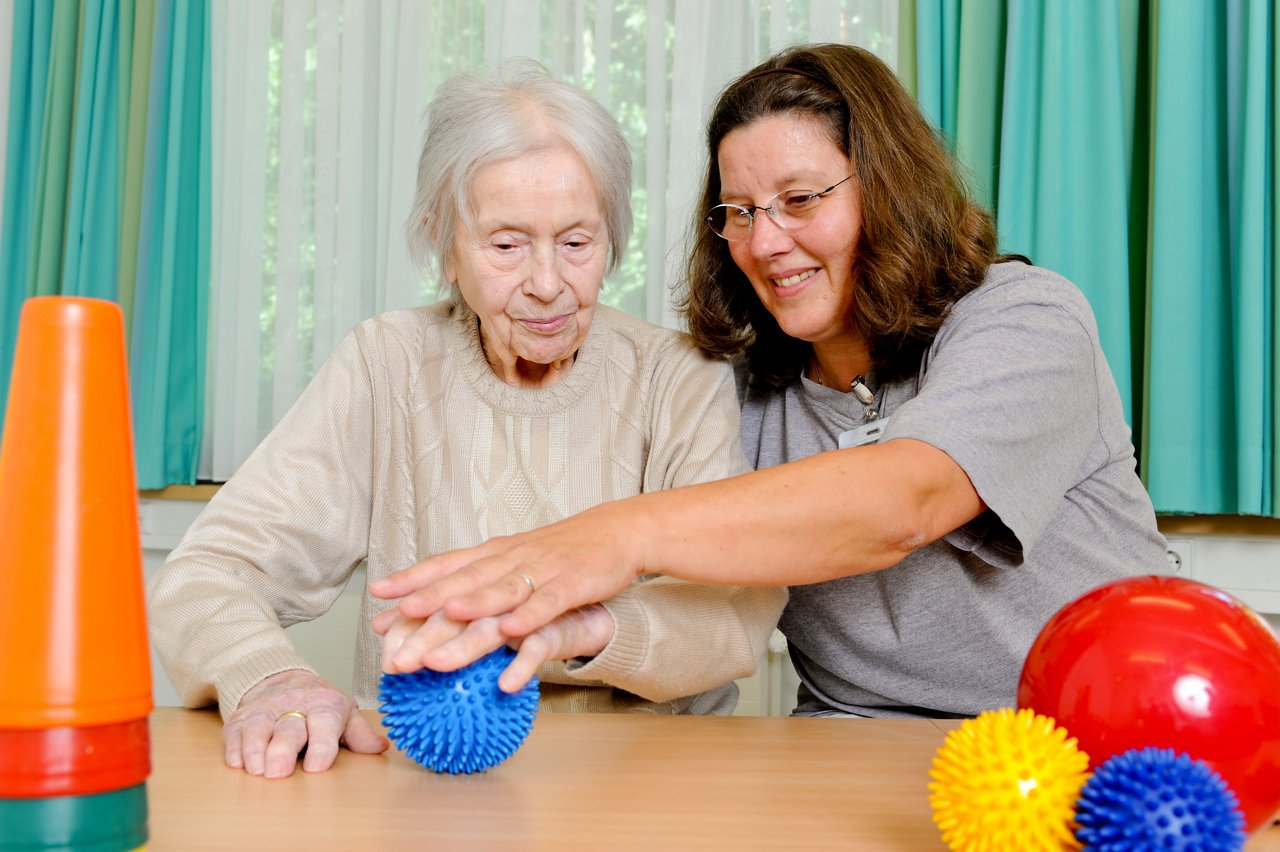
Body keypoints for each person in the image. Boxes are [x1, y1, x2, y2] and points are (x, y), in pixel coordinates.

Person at [369, 43, 1170, 719]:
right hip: (851, 746)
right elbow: (687, 601)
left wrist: (616, 532)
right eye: (740, 211)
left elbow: (903, 502)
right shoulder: (733, 390)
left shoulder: (1026, 317)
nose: (766, 242)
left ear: (889, 189)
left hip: (1113, 737)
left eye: (798, 199)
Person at [147, 60, 787, 779]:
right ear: (445, 243)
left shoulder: (677, 377)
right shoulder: (386, 364)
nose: (547, 284)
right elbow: (209, 574)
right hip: (427, 780)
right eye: (507, 245)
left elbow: (734, 614)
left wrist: (580, 627)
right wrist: (268, 678)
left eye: (577, 243)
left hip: (643, 777)